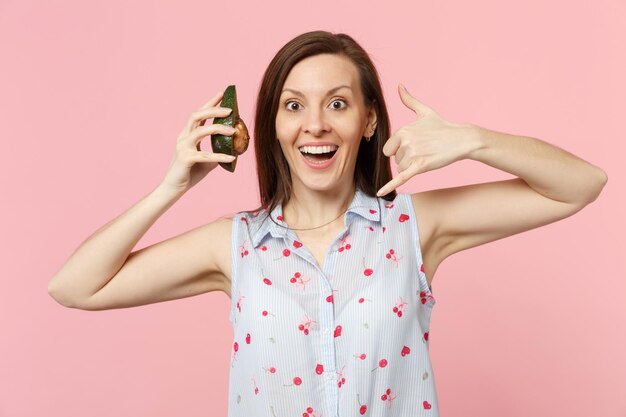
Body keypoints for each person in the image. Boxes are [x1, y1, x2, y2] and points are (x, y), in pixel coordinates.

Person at [48, 30, 608, 416]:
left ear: (368, 121)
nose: (315, 125)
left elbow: (581, 184)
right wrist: (172, 185)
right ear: (271, 125)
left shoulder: (411, 227)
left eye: (337, 104)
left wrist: (474, 141)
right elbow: (73, 287)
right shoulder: (235, 246)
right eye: (293, 106)